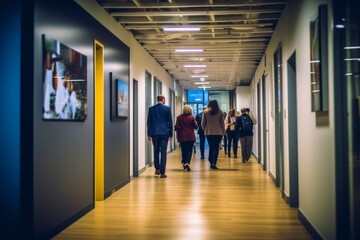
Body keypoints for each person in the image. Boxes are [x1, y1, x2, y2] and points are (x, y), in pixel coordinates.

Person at [147, 95, 173, 178]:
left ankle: (157, 169)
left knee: (156, 151)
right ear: (163, 100)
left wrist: (149, 134)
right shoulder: (167, 109)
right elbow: (170, 122)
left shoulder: (151, 109)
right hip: (164, 132)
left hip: (154, 133)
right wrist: (171, 134)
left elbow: (149, 122)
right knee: (163, 151)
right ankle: (162, 172)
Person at [201, 99, 225, 169]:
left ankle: (211, 160)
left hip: (209, 133)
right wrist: (223, 132)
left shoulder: (205, 112)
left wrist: (205, 129)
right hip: (218, 133)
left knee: (211, 146)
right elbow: (222, 124)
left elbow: (202, 124)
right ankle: (214, 162)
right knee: (216, 147)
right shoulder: (220, 112)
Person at [174, 105, 198, 171]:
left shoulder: (179, 117)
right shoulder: (192, 117)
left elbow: (176, 127)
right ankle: (187, 163)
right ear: (190, 110)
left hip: (182, 136)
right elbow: (196, 127)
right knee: (189, 150)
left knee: (183, 150)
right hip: (190, 136)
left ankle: (184, 163)